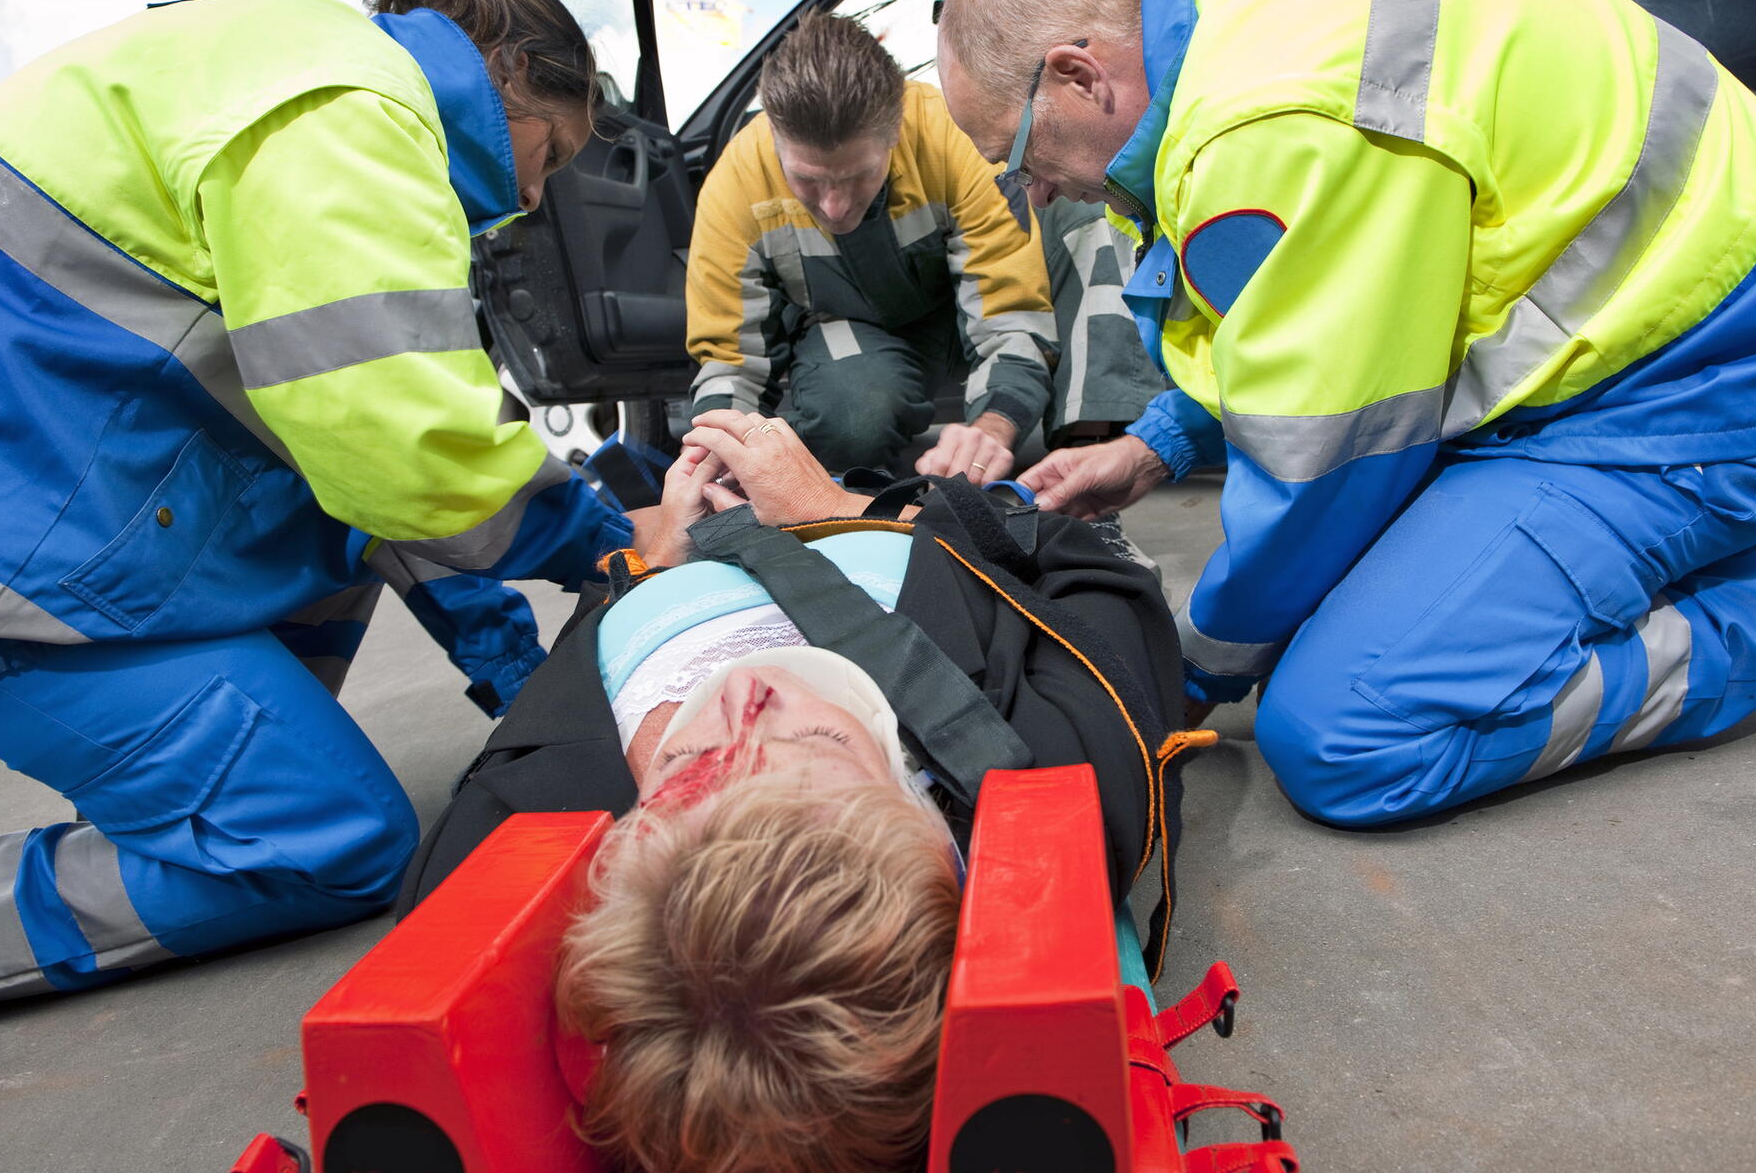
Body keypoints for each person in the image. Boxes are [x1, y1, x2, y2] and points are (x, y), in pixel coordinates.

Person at [0, 0, 634, 1017]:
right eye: (551, 155)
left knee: (327, 515)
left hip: (16, 496)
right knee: (327, 838)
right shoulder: (353, 111)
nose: (531, 198)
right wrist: (598, 532)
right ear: (509, 73)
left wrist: (529, 680)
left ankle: (218, 768)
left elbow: (354, 469)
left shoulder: (308, 65)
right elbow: (405, 449)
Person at [936, 0, 1756, 826]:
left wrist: (1190, 672)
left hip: (1693, 385)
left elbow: (1328, 466)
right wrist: (1155, 447)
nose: (1028, 191)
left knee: (1346, 734)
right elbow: (1320, 323)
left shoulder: (1270, 122)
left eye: (1016, 153)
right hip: (1632, 342)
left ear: (1078, 73)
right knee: (1325, 619)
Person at [396, 410, 1198, 1173]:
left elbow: (555, 680)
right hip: (881, 506)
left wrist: (648, 562)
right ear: (924, 831)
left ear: (627, 844)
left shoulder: (511, 832)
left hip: (679, 540)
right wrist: (843, 509)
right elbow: (1098, 576)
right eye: (817, 742)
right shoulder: (1060, 769)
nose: (746, 697)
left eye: (689, 771)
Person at [684, 11, 1164, 482]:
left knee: (1090, 215)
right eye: (808, 180)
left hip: (963, 314)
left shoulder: (949, 136)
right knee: (853, 415)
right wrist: (710, 463)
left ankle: (1085, 455)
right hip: (856, 329)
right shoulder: (736, 183)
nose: (833, 207)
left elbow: (1008, 314)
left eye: (857, 176)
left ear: (894, 132)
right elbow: (732, 358)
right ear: (775, 138)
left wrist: (993, 429)